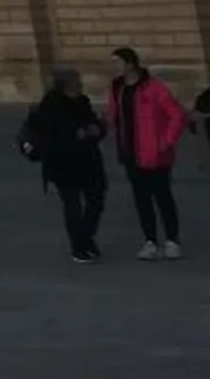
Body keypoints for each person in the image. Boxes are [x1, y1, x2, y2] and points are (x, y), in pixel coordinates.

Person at [106, 46, 189, 259]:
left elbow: (177, 115)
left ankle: (172, 240)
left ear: (130, 64)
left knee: (162, 196)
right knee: (141, 198)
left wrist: (166, 142)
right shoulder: (117, 88)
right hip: (130, 152)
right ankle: (150, 240)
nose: (113, 67)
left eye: (117, 62)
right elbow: (112, 114)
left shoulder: (153, 88)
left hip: (155, 153)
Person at [21, 67, 109, 263]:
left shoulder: (82, 102)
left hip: (89, 162)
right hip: (63, 165)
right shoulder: (51, 106)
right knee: (73, 206)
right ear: (65, 86)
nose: (80, 85)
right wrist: (78, 134)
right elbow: (52, 138)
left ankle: (86, 237)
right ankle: (79, 246)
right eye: (76, 83)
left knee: (96, 200)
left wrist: (98, 129)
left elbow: (93, 125)